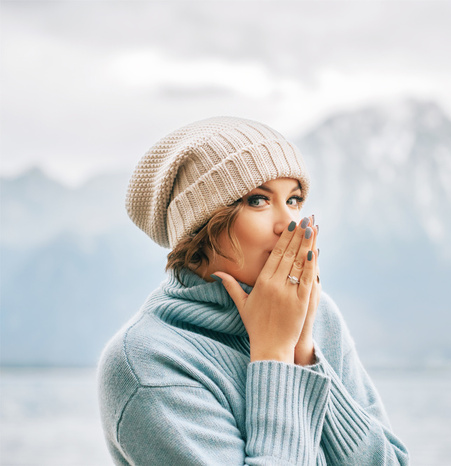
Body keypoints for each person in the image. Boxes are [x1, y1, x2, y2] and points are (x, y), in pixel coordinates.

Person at [97, 116, 410, 465]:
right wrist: (275, 354)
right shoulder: (147, 363)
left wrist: (304, 354)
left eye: (294, 200)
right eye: (258, 200)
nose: (290, 223)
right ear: (199, 225)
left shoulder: (318, 315)